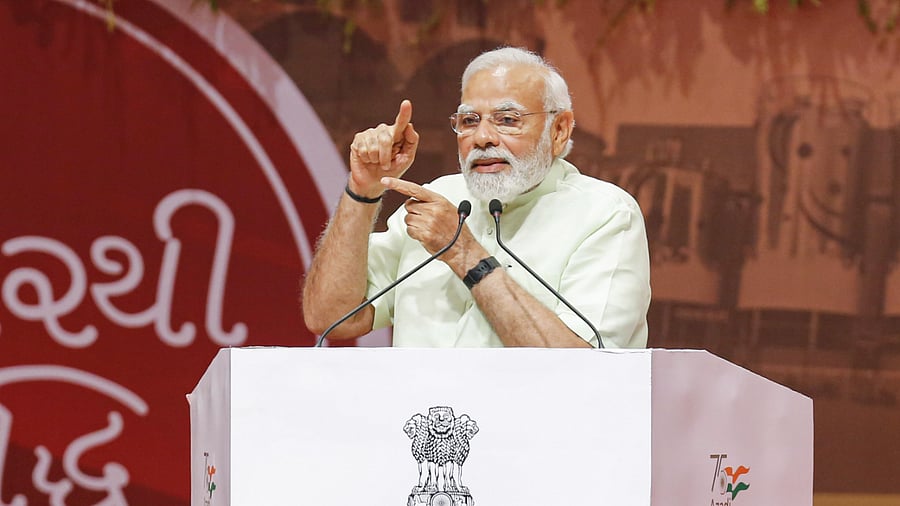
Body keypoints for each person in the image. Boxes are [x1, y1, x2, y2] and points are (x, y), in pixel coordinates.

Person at [302, 47, 650, 348]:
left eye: (507, 119)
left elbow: (587, 366)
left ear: (559, 130)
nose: (482, 137)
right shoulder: (438, 197)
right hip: (420, 422)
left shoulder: (605, 214)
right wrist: (362, 191)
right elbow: (330, 316)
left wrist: (465, 254)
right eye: (469, 120)